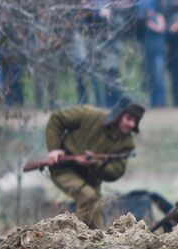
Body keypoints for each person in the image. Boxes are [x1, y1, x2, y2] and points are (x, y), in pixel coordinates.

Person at [43, 97, 144, 228]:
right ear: (119, 115)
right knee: (88, 197)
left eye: (135, 121)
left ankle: (96, 242)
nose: (131, 124)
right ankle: (79, 238)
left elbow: (116, 171)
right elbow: (57, 118)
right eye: (128, 118)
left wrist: (95, 163)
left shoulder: (127, 144)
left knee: (95, 209)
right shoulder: (89, 115)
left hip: (91, 179)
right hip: (63, 168)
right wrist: (54, 149)